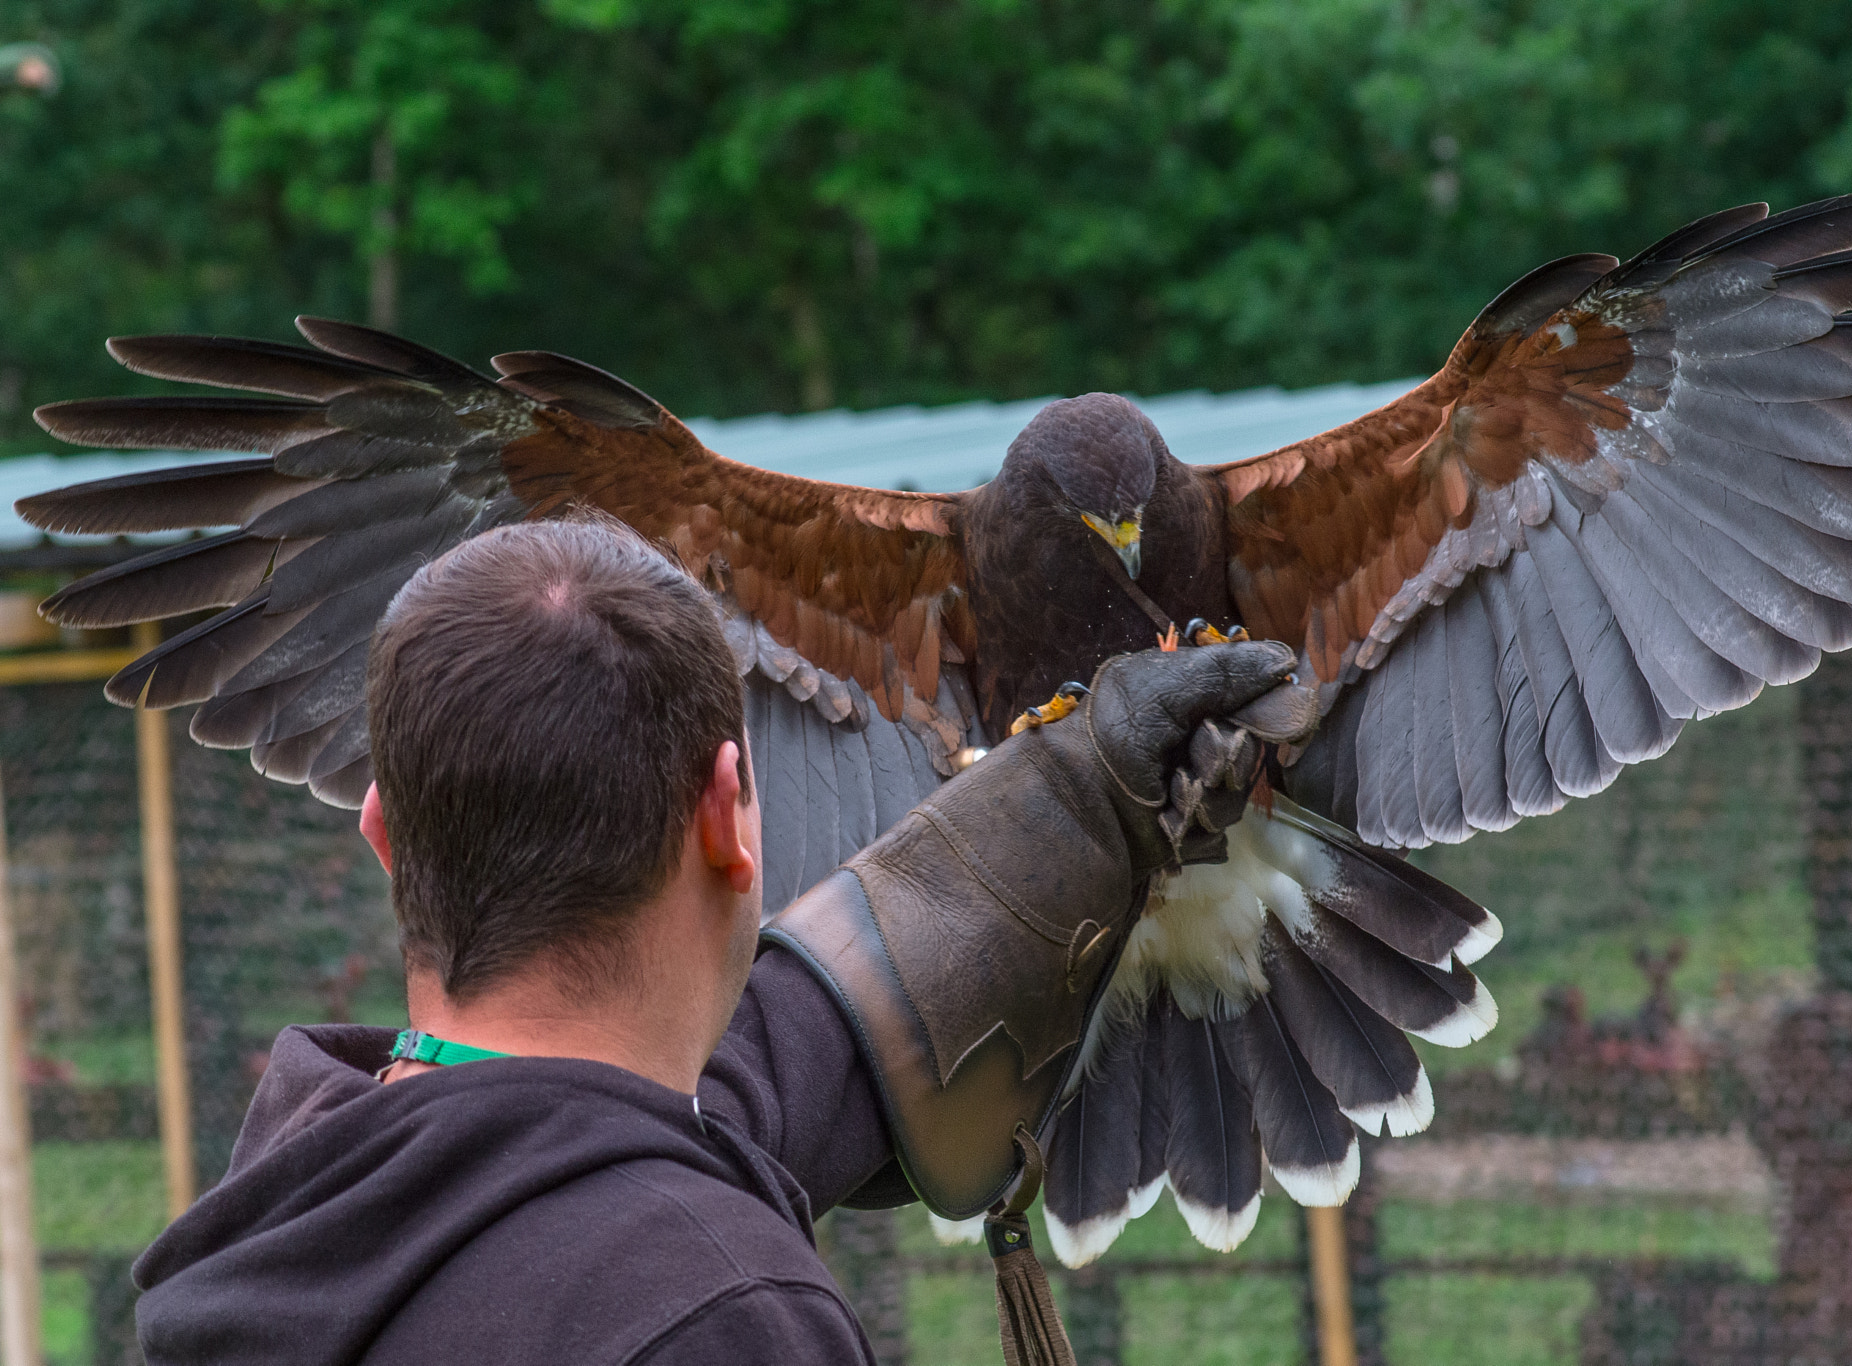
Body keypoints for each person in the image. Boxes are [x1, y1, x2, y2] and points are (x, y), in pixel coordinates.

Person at [128, 515, 1305, 1365]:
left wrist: (1050, 815)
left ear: (384, 834)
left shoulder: (289, 1214)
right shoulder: (713, 1314)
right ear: (725, 810)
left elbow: (627, 1137)